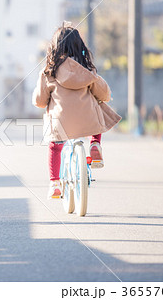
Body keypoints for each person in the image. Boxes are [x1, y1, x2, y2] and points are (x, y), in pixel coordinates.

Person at [32, 24, 121, 199]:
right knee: (99, 105)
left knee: (55, 147)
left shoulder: (48, 72)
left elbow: (40, 101)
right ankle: (95, 144)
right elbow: (104, 94)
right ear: (80, 46)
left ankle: (55, 183)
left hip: (61, 124)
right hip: (88, 121)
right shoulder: (87, 71)